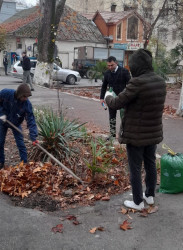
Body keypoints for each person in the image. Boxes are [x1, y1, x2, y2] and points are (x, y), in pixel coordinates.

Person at [105, 49, 166, 210]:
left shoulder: (137, 83)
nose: (131, 70)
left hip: (136, 135)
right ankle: (150, 195)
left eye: (132, 66)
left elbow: (117, 103)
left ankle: (138, 201)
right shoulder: (160, 81)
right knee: (151, 163)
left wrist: (107, 97)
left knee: (135, 167)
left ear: (137, 66)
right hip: (153, 132)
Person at [0, 84, 38, 169]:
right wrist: (1, 113)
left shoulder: (26, 104)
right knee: (0, 142)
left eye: (27, 97)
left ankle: (24, 164)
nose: (26, 99)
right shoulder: (6, 93)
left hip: (15, 124)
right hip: (3, 121)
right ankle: (1, 162)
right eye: (24, 96)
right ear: (19, 94)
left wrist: (33, 136)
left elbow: (31, 119)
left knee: (21, 144)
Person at [100, 56, 130, 139]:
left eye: (112, 65)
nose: (110, 67)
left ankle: (124, 135)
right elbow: (104, 86)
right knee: (112, 116)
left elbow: (130, 85)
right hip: (111, 98)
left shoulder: (124, 71)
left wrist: (128, 96)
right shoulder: (107, 73)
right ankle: (112, 134)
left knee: (123, 117)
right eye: (108, 65)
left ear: (116, 63)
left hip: (123, 98)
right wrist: (101, 98)